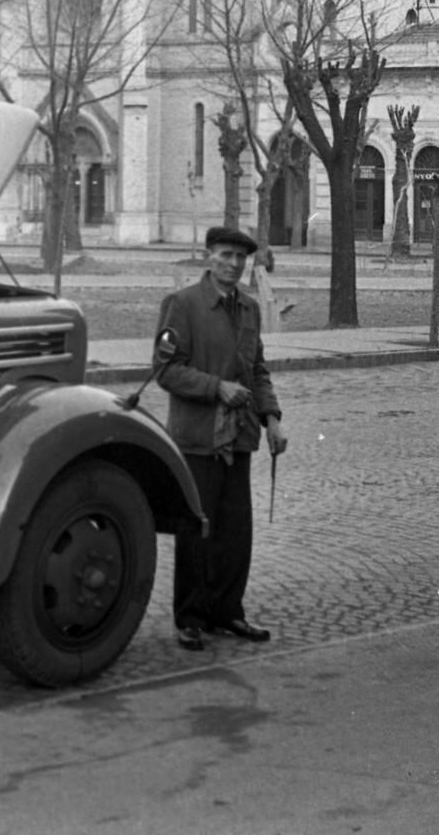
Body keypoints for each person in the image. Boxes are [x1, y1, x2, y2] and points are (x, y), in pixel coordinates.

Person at [155, 225, 288, 652]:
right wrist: (217, 388)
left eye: (240, 258)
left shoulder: (249, 309)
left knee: (235, 531)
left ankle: (227, 611)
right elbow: (167, 370)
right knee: (198, 529)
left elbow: (258, 369)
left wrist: (272, 417)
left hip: (240, 437)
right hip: (197, 437)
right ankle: (191, 618)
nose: (233, 264)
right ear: (208, 255)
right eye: (226, 255)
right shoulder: (182, 305)